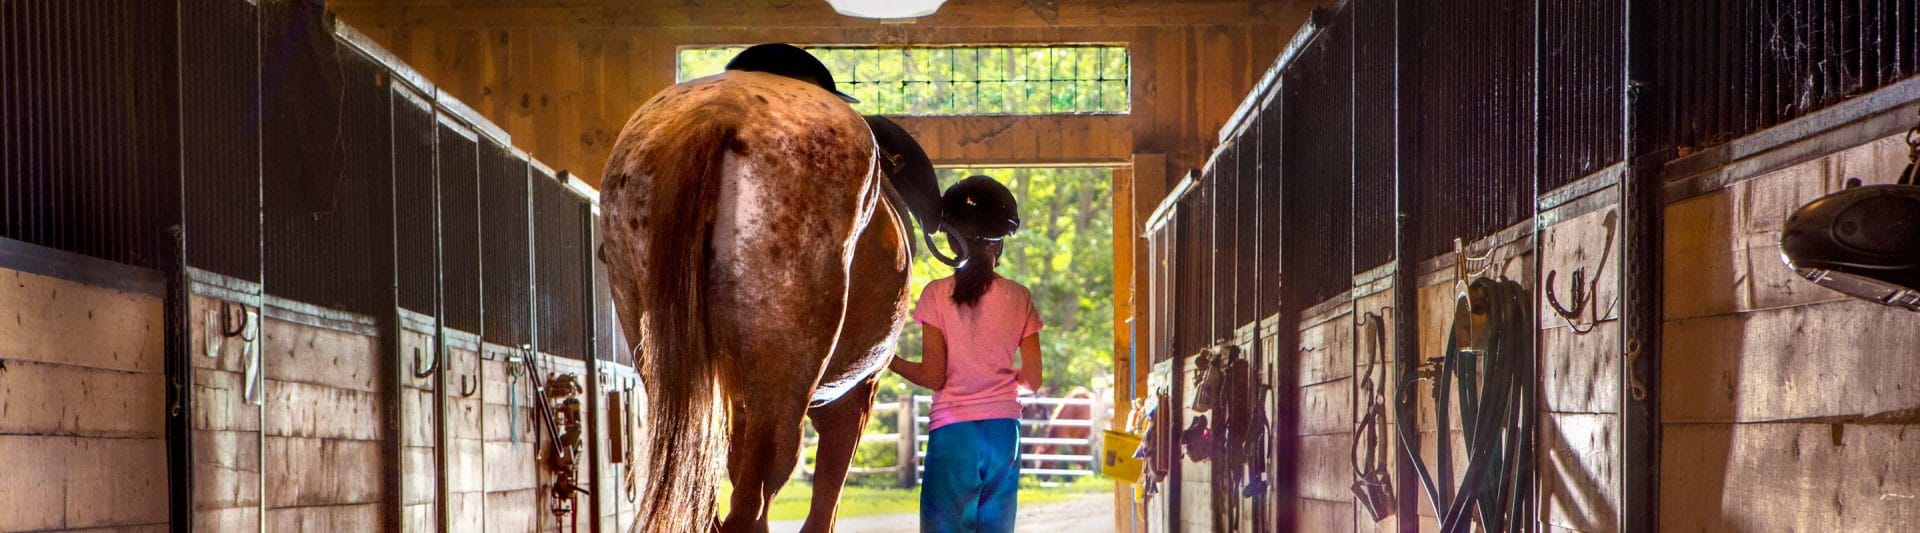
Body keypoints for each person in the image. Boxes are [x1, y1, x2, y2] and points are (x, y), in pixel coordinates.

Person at [889, 175, 1045, 533]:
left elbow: (933, 377)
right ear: (999, 244)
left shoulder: (935, 294)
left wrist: (891, 361)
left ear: (951, 240)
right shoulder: (1020, 297)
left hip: (954, 433)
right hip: (1004, 432)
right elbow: (1033, 381)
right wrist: (1002, 376)